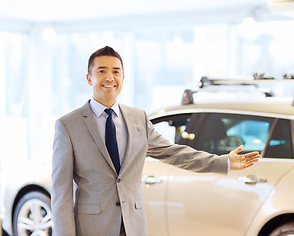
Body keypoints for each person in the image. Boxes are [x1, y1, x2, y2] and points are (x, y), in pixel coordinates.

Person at [51, 46, 260, 236]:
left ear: (123, 78)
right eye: (102, 71)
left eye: (116, 71)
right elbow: (61, 194)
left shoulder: (138, 119)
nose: (110, 77)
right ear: (89, 78)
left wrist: (223, 162)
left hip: (133, 226)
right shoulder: (68, 125)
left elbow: (174, 153)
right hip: (91, 229)